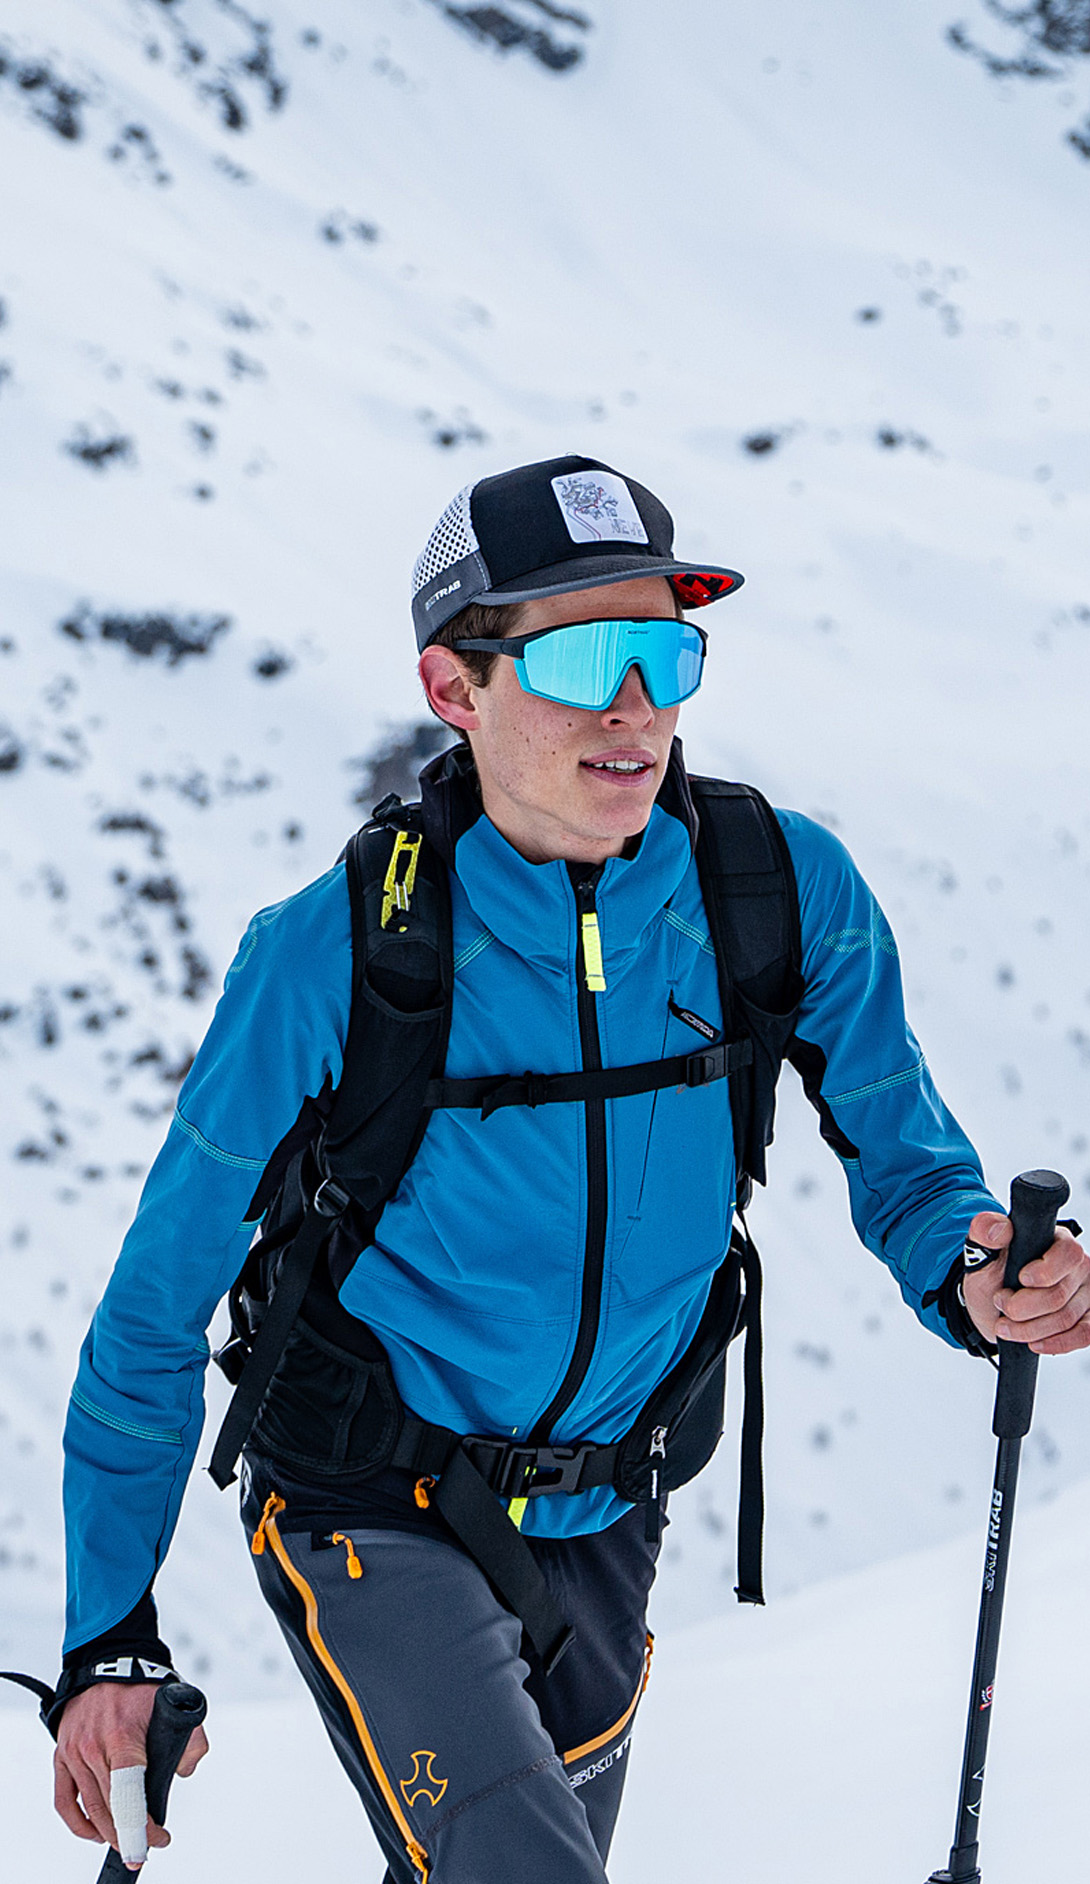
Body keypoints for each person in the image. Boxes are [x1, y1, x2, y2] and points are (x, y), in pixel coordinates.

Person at [51, 456, 1090, 1880]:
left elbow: (908, 1164)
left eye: (665, 655)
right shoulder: (331, 952)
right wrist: (110, 1639)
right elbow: (154, 1309)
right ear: (453, 686)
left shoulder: (776, 892)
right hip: (368, 1497)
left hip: (613, 1507)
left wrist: (976, 1268)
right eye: (585, 659)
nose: (635, 710)